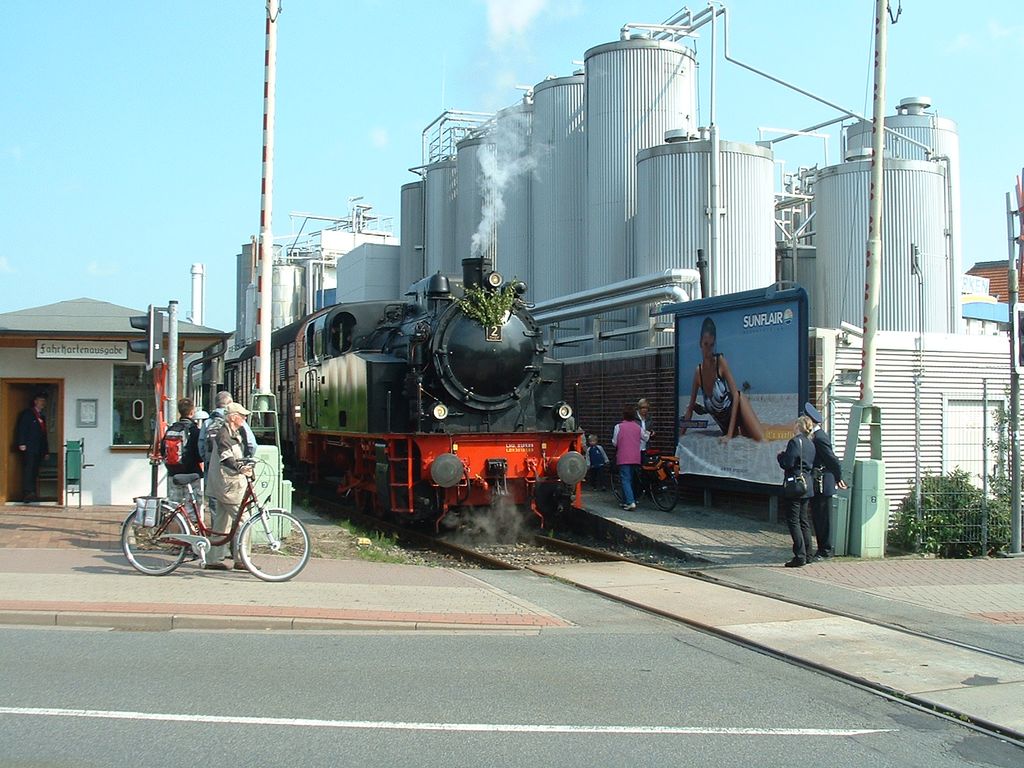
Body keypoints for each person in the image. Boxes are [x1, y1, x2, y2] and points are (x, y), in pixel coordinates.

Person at [680, 316, 766, 442]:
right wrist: (680, 437)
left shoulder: (720, 362)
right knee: (769, 431)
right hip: (728, 428)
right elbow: (689, 410)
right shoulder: (698, 372)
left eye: (712, 345)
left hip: (739, 413)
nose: (709, 349)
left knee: (763, 441)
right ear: (700, 343)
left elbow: (735, 395)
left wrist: (729, 435)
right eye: (706, 344)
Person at [204, 402, 254, 570]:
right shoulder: (224, 435)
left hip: (225, 484)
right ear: (233, 417)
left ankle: (213, 559)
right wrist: (241, 468)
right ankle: (242, 559)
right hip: (228, 486)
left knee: (221, 521)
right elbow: (226, 458)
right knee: (244, 520)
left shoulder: (233, 432)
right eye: (242, 415)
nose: (245, 418)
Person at [805, 403, 847, 561]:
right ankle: (822, 548)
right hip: (818, 482)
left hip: (824, 482)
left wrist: (838, 477)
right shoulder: (814, 437)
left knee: (823, 518)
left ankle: (826, 550)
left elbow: (832, 460)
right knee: (817, 516)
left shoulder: (820, 437)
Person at [777, 415, 816, 567]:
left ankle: (799, 555)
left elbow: (788, 463)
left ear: (799, 427)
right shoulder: (810, 443)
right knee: (804, 520)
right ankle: (809, 553)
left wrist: (780, 456)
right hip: (807, 484)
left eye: (795, 425)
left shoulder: (795, 442)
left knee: (793, 520)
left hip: (795, 485)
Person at [161, 398, 203, 507]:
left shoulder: (171, 429)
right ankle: (192, 523)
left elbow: (162, 450)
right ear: (192, 412)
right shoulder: (195, 431)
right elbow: (200, 454)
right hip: (192, 473)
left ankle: (174, 524)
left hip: (173, 473)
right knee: (193, 507)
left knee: (174, 506)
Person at [15, 393, 49, 502]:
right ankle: (27, 493)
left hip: (38, 449)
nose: (43, 403)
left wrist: (46, 451)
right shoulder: (28, 414)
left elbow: (44, 436)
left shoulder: (42, 417)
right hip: (29, 447)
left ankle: (33, 492)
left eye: (44, 401)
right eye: (41, 400)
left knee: (35, 470)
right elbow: (22, 428)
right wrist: (22, 443)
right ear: (35, 401)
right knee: (28, 470)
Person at [612, 405, 643, 511]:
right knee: (631, 479)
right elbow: (645, 437)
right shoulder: (638, 427)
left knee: (625, 479)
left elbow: (614, 442)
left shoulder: (619, 427)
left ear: (624, 415)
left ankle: (630, 502)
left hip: (624, 456)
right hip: (635, 457)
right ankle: (625, 501)